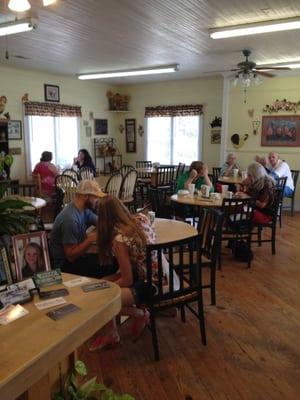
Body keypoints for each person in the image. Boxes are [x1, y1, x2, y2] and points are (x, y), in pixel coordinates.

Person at [88, 195, 159, 352]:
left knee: (103, 296)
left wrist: (105, 287)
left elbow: (127, 280)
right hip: (161, 275)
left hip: (150, 284)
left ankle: (140, 313)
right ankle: (112, 332)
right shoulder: (141, 218)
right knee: (103, 282)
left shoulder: (120, 239)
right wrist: (105, 283)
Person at [49, 179, 116, 278]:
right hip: (65, 267)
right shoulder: (70, 219)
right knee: (112, 265)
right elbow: (70, 256)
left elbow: (101, 223)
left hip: (78, 257)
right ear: (85, 196)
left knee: (112, 260)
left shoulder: (84, 210)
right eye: (96, 197)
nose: (98, 200)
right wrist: (90, 239)